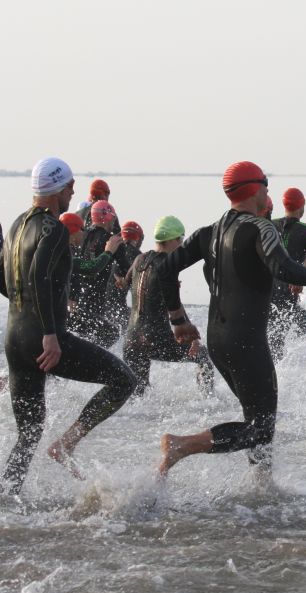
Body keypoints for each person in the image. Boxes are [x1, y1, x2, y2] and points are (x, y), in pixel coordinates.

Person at [155, 161, 306, 477]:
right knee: (261, 426)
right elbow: (281, 266)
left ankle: (262, 485)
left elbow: (164, 268)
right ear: (255, 188)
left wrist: (178, 319)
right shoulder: (260, 228)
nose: (268, 190)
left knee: (256, 419)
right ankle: (182, 445)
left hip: (218, 341)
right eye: (266, 183)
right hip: (245, 341)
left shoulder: (209, 231)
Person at [2, 157, 137, 494]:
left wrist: (22, 306)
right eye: (69, 186)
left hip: (14, 337)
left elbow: (7, 276)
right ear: (56, 189)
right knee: (123, 380)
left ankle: (6, 496)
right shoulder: (55, 229)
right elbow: (40, 274)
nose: (74, 190)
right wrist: (49, 333)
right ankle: (67, 442)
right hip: (44, 338)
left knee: (28, 433)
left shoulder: (18, 224)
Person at [122, 216, 215, 397]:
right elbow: (175, 306)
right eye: (180, 239)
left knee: (138, 396)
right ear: (172, 240)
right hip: (155, 339)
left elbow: (125, 282)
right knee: (203, 356)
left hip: (131, 339)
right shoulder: (168, 266)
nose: (181, 245)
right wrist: (192, 338)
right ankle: (209, 402)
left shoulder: (139, 259)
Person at [268, 188, 306, 360]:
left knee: (273, 339)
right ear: (302, 207)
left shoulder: (269, 225)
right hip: (288, 293)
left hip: (265, 293)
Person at [69, 199, 126, 347]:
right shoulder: (112, 241)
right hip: (97, 299)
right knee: (108, 334)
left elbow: (82, 265)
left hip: (76, 299)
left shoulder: (82, 235)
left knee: (85, 333)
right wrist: (124, 278)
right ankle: (92, 362)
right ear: (110, 218)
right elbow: (127, 268)